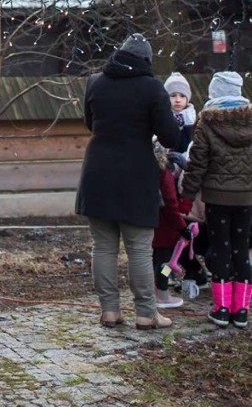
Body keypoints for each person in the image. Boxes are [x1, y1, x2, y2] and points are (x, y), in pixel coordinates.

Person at [75, 33, 181, 329]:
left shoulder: (95, 82)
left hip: (97, 172)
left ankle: (109, 310)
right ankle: (147, 313)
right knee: (138, 248)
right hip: (136, 175)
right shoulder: (152, 88)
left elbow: (90, 123)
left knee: (103, 247)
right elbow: (171, 135)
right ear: (146, 60)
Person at [180, 70, 252, 329]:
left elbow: (197, 163)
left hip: (217, 198)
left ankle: (221, 309)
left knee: (221, 248)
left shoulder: (207, 121)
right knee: (241, 249)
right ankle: (241, 310)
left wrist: (186, 198)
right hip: (246, 198)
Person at [152, 142, 186, 310]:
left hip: (148, 226)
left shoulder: (144, 171)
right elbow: (170, 203)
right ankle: (162, 294)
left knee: (152, 261)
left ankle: (153, 290)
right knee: (166, 264)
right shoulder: (163, 173)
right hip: (165, 228)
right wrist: (182, 227)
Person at [165, 72, 197, 153]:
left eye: (182, 96)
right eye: (173, 95)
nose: (178, 100)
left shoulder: (192, 117)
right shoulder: (162, 116)